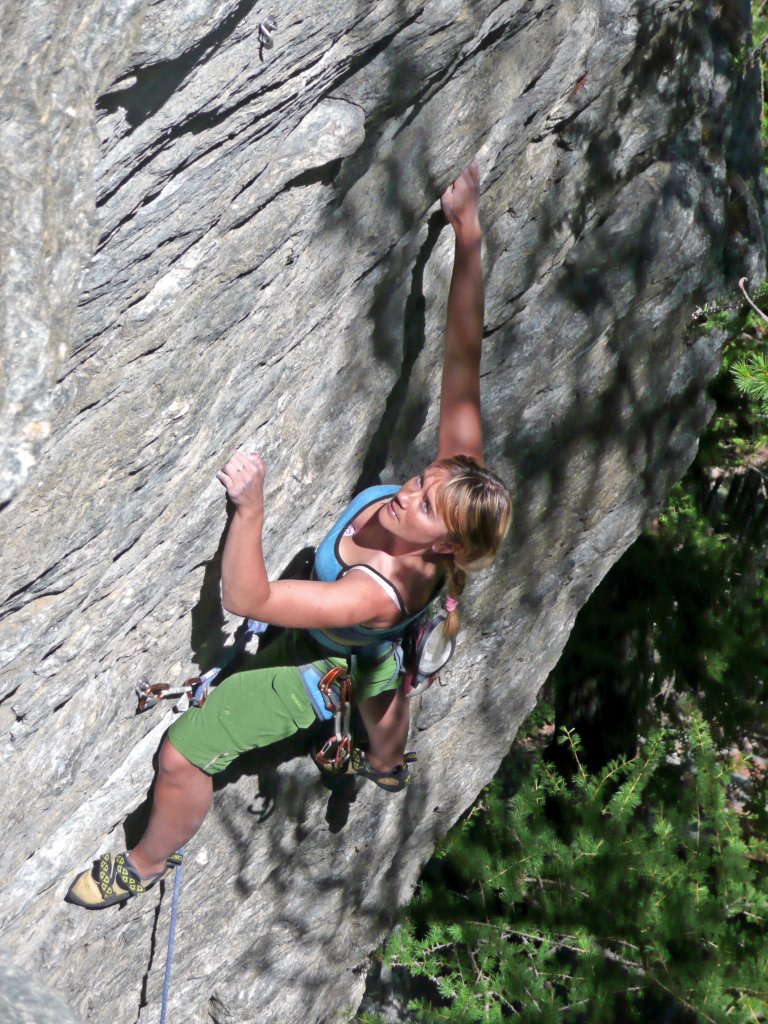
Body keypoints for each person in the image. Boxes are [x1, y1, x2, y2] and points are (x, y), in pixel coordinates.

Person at [66, 161, 512, 909]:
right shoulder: (448, 489)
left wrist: (250, 510)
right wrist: (468, 235)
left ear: (446, 551)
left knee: (182, 756)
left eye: (426, 507)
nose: (408, 493)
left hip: (326, 658)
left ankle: (143, 864)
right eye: (421, 482)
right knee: (380, 676)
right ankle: (386, 760)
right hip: (369, 646)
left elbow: (249, 595)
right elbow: (463, 354)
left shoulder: (371, 593)